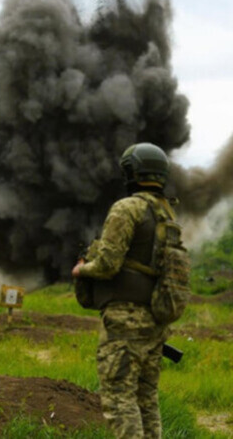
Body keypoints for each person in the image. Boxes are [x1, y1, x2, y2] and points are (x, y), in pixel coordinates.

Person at [72, 142, 177, 439]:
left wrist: (82, 269)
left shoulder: (127, 208)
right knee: (146, 401)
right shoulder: (167, 216)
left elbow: (107, 263)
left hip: (124, 322)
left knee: (119, 399)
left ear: (134, 171)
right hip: (155, 321)